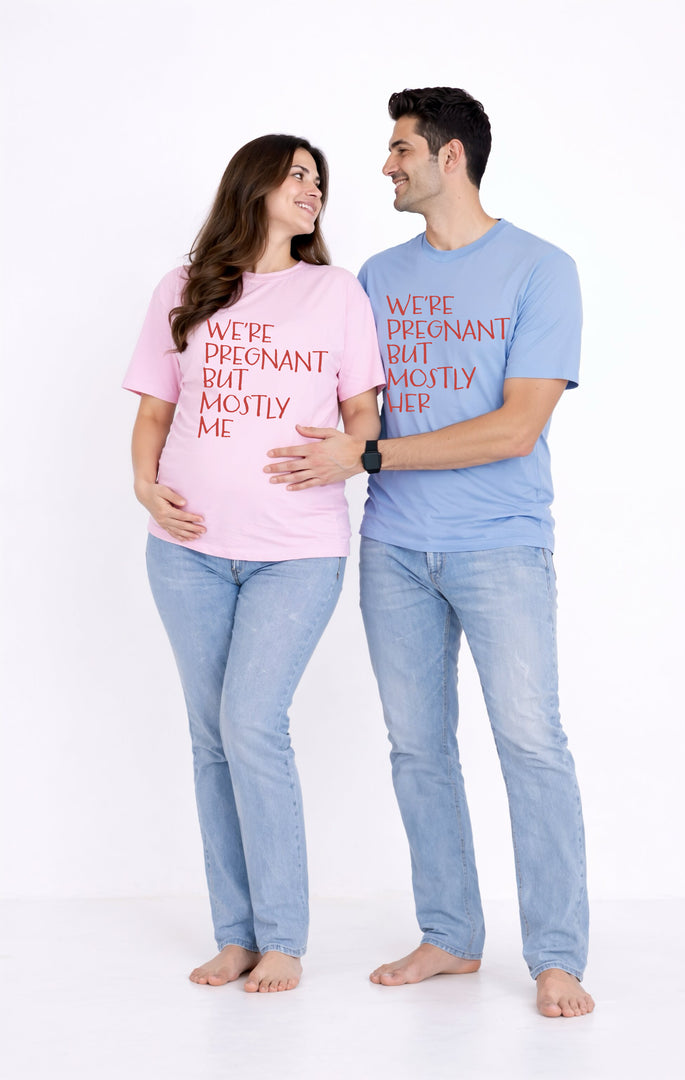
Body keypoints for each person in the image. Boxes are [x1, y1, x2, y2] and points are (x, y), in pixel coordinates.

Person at [264, 89, 595, 1018]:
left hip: (501, 545)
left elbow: (516, 428)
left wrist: (368, 457)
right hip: (395, 549)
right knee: (418, 749)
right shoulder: (377, 275)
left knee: (530, 743)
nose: (385, 165)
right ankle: (450, 934)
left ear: (451, 157)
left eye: (401, 149)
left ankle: (557, 955)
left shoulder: (542, 269)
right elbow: (341, 393)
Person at [124, 134, 383, 994]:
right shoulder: (185, 287)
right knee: (211, 738)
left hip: (296, 551)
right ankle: (234, 935)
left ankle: (283, 938)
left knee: (252, 723)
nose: (313, 189)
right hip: (186, 553)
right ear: (254, 183)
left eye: (319, 180)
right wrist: (144, 487)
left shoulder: (336, 292)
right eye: (297, 174)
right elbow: (154, 415)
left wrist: (347, 454)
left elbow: (363, 415)